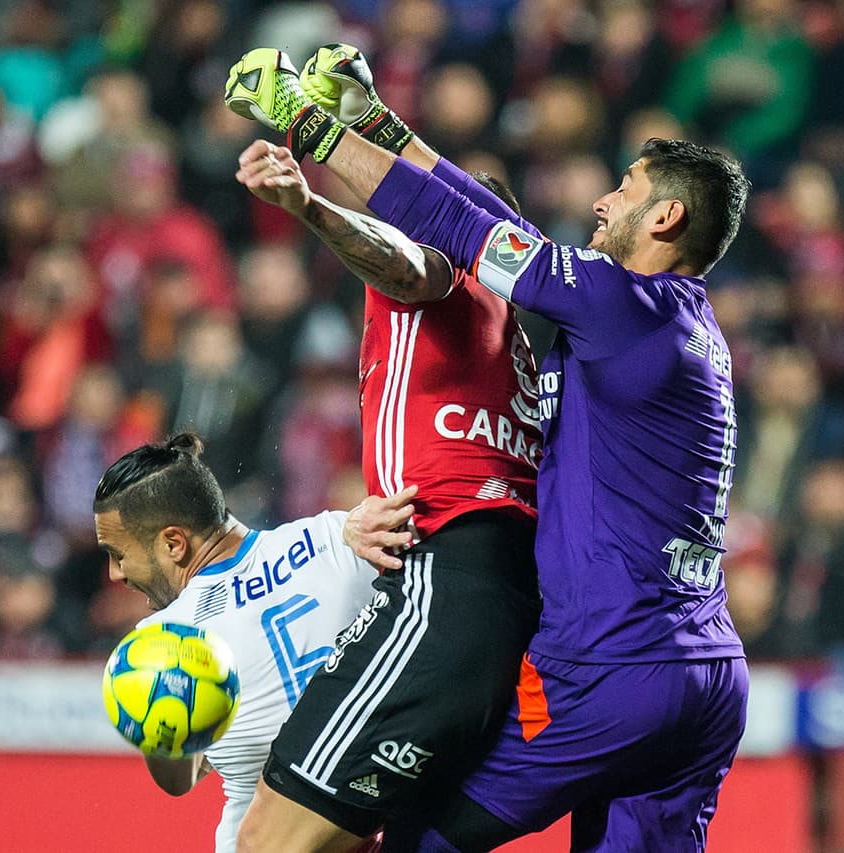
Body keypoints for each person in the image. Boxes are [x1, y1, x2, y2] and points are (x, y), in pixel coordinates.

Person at [226, 46, 751, 852]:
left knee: (404, 834)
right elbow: (506, 231)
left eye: (624, 191)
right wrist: (378, 122)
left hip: (609, 671)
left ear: (665, 219)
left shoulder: (623, 304)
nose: (604, 203)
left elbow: (472, 234)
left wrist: (310, 126)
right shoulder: (685, 328)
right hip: (707, 677)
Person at [227, 46, 547, 853]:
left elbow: (410, 266)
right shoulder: (516, 345)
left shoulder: (459, 277)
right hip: (496, 598)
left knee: (269, 836)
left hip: (443, 581)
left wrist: (310, 205)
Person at [92, 432, 380, 852]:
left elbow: (178, 781)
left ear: (174, 543)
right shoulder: (340, 536)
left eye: (118, 553)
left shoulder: (166, 640)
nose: (117, 573)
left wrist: (156, 719)